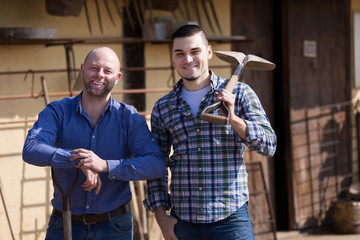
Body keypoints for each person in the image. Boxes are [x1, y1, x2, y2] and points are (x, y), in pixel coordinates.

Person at [143, 25, 277, 240]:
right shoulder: (163, 107)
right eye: (180, 53)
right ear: (173, 58)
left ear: (208, 52)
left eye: (195, 51)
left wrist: (234, 119)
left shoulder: (240, 94)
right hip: (183, 222)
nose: (188, 59)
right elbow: (155, 164)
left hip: (231, 220)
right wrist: (161, 216)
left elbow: (269, 145)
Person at [22, 47, 166, 240]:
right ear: (82, 70)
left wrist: (106, 166)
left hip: (114, 226)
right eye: (94, 68)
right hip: (64, 223)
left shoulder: (128, 117)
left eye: (107, 71)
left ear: (117, 77)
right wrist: (80, 160)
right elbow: (31, 148)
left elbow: (156, 164)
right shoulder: (57, 111)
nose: (99, 75)